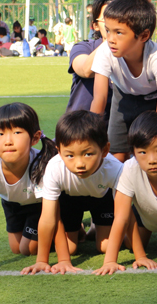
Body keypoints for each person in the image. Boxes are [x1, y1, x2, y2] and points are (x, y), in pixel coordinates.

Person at [22, 111, 123, 275]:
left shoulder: (114, 168)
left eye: (88, 154)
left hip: (101, 197)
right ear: (59, 152)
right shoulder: (54, 167)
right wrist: (43, 260)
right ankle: (80, 228)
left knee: (104, 246)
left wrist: (112, 259)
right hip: (70, 199)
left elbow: (123, 212)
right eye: (70, 155)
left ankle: (98, 224)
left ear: (105, 150)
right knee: (70, 249)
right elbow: (48, 217)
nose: (79, 164)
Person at [93, 112, 157, 275]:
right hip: (145, 213)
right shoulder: (129, 169)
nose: (152, 159)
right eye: (143, 152)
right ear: (132, 152)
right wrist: (111, 261)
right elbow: (121, 217)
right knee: (131, 245)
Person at [0, 103, 57, 276]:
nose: (8, 141)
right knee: (16, 248)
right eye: (0, 134)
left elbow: (49, 210)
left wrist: (41, 261)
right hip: (12, 204)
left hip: (41, 205)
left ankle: (73, 229)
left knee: (27, 248)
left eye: (17, 132)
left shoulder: (43, 165)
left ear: (35, 138)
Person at [90, 0, 157, 162]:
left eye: (119, 32)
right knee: (117, 156)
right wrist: (90, 134)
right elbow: (100, 97)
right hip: (122, 99)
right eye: (108, 30)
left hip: (153, 100)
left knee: (150, 152)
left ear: (144, 36)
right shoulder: (105, 51)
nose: (110, 39)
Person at [67, 0, 122, 114]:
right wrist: (111, 40)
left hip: (120, 131)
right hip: (82, 129)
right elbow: (85, 70)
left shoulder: (134, 55)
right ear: (95, 25)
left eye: (120, 17)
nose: (115, 22)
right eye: (108, 18)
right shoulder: (83, 48)